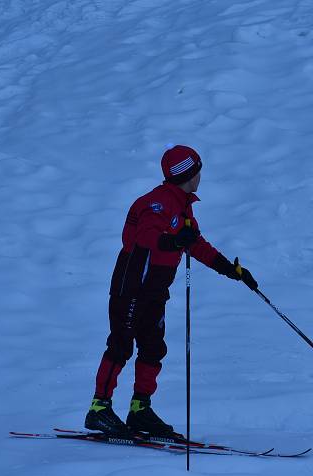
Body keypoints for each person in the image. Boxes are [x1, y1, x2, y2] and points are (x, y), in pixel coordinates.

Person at [84, 145, 258, 438]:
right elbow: (148, 237)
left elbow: (197, 245)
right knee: (121, 345)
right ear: (188, 174)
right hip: (133, 287)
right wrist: (176, 241)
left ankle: (140, 409)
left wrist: (231, 270)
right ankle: (99, 409)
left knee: (153, 347)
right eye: (198, 170)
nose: (201, 176)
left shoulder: (183, 207)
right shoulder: (156, 203)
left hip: (155, 291)